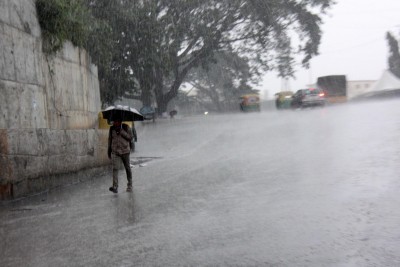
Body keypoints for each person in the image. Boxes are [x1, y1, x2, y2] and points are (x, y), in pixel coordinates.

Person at [107, 120, 133, 193]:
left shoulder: (126, 127)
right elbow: (110, 140)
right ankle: (115, 186)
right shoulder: (112, 129)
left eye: (116, 121)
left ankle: (130, 185)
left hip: (125, 151)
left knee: (127, 168)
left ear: (120, 121)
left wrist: (122, 132)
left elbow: (131, 137)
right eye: (114, 121)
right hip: (115, 152)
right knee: (115, 168)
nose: (115, 123)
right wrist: (109, 151)